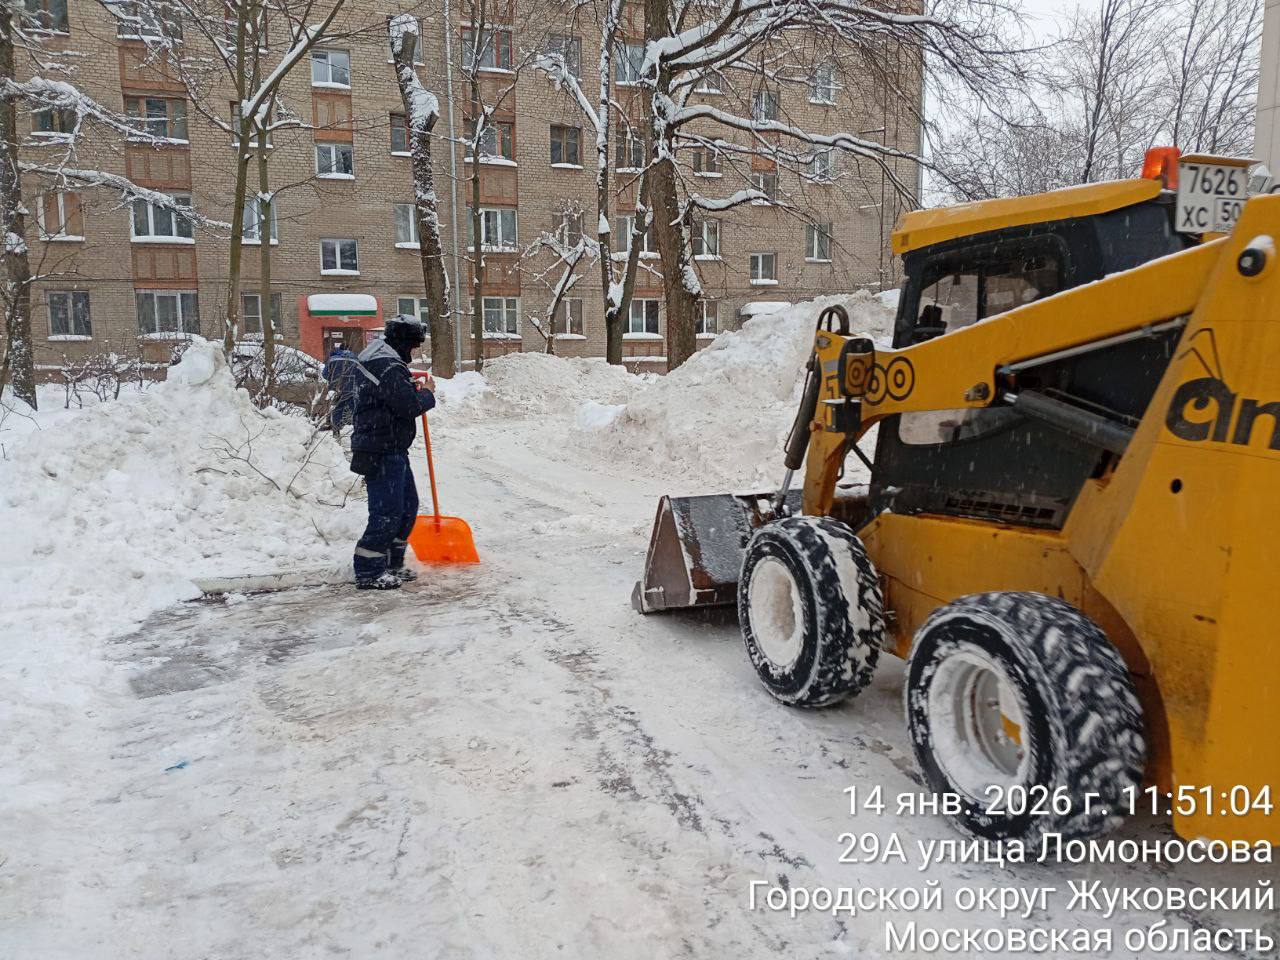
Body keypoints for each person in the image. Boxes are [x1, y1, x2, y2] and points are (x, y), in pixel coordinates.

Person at [348, 315, 436, 590]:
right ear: (403, 342)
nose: (414, 352)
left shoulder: (386, 363)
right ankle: (369, 571)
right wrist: (427, 394)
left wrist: (410, 390)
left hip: (391, 447)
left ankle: (391, 562)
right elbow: (408, 406)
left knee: (407, 507)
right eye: (413, 346)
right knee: (387, 512)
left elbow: (394, 398)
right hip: (380, 449)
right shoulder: (386, 366)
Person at [322, 344, 358, 436]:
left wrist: (333, 379)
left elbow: (325, 374)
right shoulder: (356, 360)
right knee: (355, 410)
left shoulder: (333, 359)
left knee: (337, 410)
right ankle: (358, 431)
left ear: (339, 349)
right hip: (351, 389)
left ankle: (336, 431)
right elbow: (360, 375)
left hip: (336, 389)